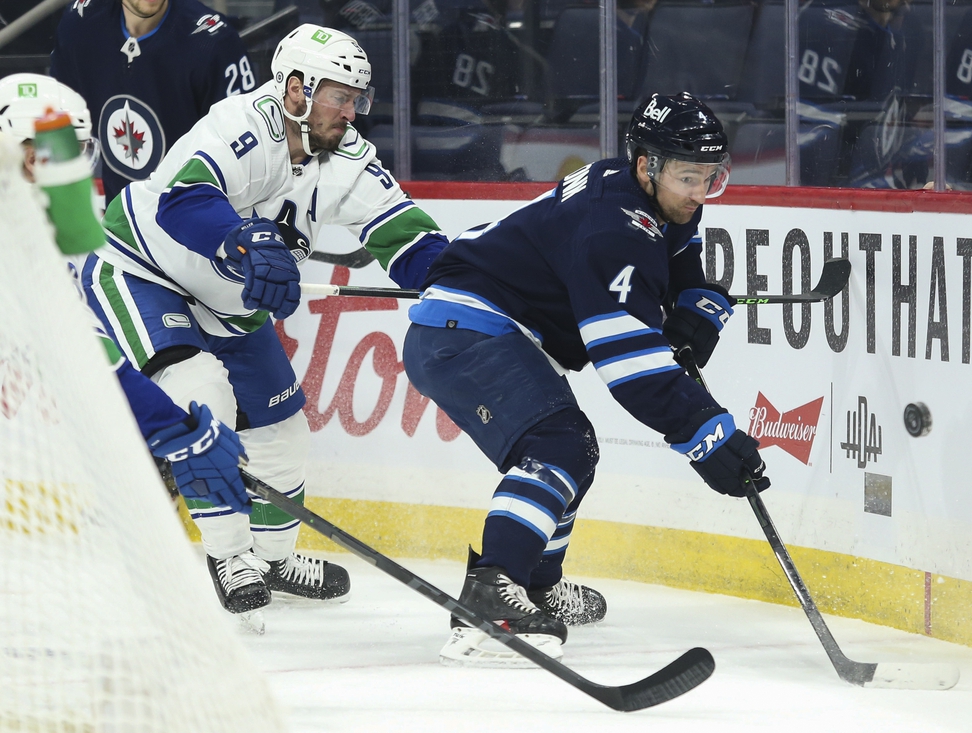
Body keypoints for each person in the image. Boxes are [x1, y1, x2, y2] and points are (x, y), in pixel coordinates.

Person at [77, 24, 449, 620]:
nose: (351, 112)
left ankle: (272, 558)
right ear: (296, 89)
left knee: (282, 432)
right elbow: (184, 200)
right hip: (144, 271)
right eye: (339, 96)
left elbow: (406, 236)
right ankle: (229, 556)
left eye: (358, 99)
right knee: (203, 398)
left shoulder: (349, 157)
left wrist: (461, 278)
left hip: (229, 302)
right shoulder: (239, 125)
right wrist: (244, 243)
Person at [402, 91, 771, 665]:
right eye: (689, 178)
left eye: (712, 178)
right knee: (557, 445)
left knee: (574, 449)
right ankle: (491, 593)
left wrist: (693, 293)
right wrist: (708, 435)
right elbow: (628, 365)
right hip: (465, 330)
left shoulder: (638, 189)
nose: (700, 194)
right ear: (647, 165)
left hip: (489, 325)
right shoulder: (613, 231)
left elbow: (676, 243)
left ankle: (536, 585)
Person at [0, 72, 252, 519]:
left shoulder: (26, 244)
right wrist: (174, 429)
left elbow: (86, 352)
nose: (68, 179)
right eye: (50, 158)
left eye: (75, 157)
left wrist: (172, 428)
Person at [50, 0, 255, 204]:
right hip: (117, 217)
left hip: (193, 215)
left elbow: (246, 157)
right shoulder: (80, 23)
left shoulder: (213, 41)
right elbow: (59, 118)